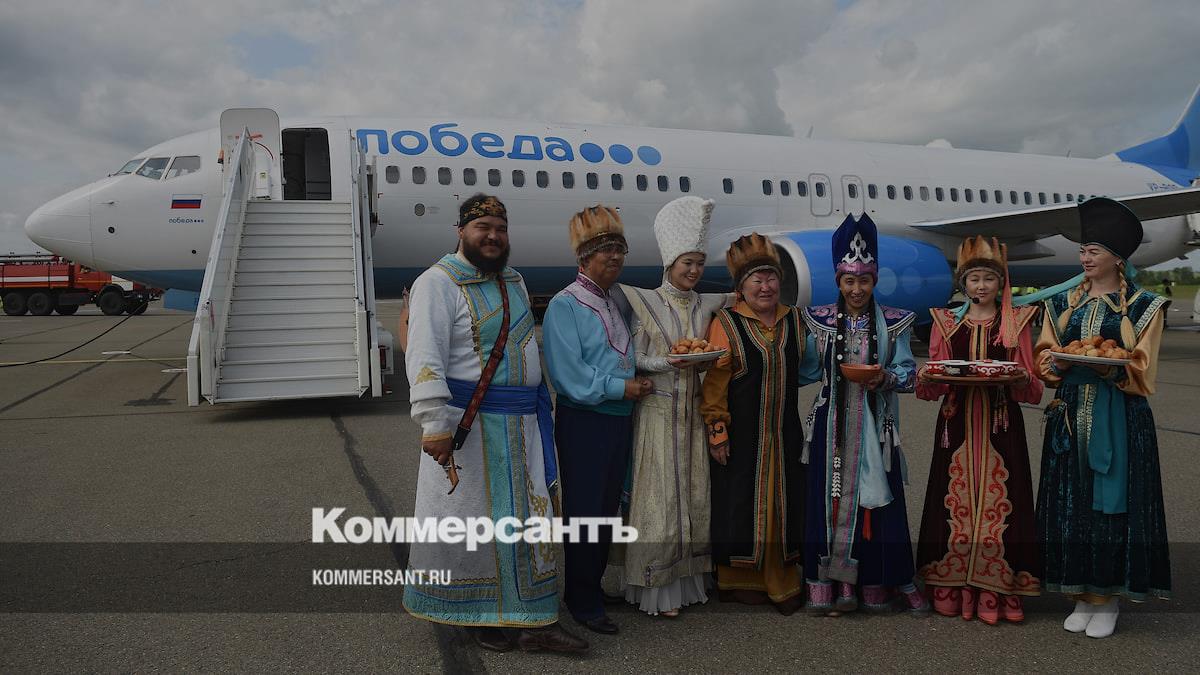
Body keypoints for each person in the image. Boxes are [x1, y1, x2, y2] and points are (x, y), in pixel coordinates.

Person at [402, 194, 588, 653]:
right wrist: (433, 422)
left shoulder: (513, 281)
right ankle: (477, 616)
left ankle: (534, 622)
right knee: (472, 530)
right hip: (469, 429)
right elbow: (424, 355)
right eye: (482, 227)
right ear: (461, 231)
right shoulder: (437, 283)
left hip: (523, 428)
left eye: (500, 228)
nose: (493, 236)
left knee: (528, 525)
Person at [1034, 197, 1171, 639]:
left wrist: (1111, 369)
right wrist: (1054, 365)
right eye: (1083, 251)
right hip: (1069, 415)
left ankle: (1108, 597)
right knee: (1070, 505)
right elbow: (1045, 357)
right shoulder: (1060, 304)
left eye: (1093, 251)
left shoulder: (1145, 306)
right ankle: (1080, 594)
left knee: (1112, 507)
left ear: (1117, 257)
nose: (1085, 258)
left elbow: (1142, 370)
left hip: (1121, 418)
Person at [800, 213, 928, 615]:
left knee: (876, 506)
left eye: (865, 281)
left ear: (875, 281)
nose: (857, 289)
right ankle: (828, 582)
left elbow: (909, 374)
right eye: (849, 281)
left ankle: (873, 581)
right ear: (838, 281)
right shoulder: (818, 321)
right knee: (829, 500)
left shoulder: (894, 321)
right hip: (830, 426)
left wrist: (886, 377)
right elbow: (805, 370)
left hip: (876, 426)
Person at [915, 236, 1043, 625]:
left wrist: (1021, 377)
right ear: (963, 283)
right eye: (974, 278)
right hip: (955, 423)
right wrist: (926, 376)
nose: (981, 286)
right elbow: (933, 383)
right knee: (951, 499)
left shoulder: (1017, 322)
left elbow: (1032, 385)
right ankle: (951, 583)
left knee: (1002, 502)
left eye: (989, 278)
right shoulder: (946, 322)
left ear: (1001, 283)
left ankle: (997, 586)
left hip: (1001, 424)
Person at [543, 204, 654, 635]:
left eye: (620, 249)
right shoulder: (565, 305)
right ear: (583, 256)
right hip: (586, 421)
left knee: (608, 507)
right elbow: (568, 376)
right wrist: (620, 388)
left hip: (618, 419)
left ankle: (591, 584)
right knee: (586, 510)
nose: (615, 257)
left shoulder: (615, 301)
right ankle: (582, 598)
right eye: (605, 249)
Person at [619, 196, 731, 617]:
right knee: (660, 502)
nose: (694, 270)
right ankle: (656, 586)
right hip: (659, 413)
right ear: (670, 263)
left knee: (696, 499)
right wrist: (667, 362)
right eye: (687, 262)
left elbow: (746, 295)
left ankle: (689, 583)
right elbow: (634, 357)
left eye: (699, 263)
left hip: (693, 416)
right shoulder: (644, 302)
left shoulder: (706, 303)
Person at [700, 233, 821, 615]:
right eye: (757, 280)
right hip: (741, 435)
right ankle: (736, 581)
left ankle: (780, 578)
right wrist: (717, 431)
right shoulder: (726, 323)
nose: (766, 286)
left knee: (785, 502)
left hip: (784, 433)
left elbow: (809, 369)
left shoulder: (796, 320)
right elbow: (714, 384)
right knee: (737, 501)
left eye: (771, 278)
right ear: (741, 286)